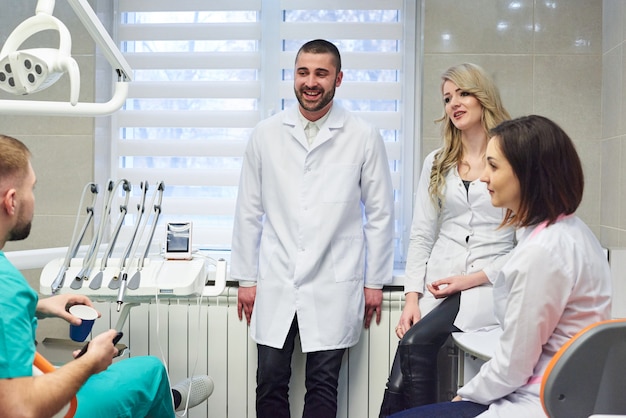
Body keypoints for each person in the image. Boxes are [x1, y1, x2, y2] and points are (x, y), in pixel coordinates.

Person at [389, 115, 613, 417]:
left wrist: (462, 398)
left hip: (535, 402)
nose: (483, 177)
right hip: (560, 395)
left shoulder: (541, 252)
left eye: (493, 166)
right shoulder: (573, 232)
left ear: (528, 174)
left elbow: (513, 366)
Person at [230, 39, 395, 418]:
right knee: (270, 382)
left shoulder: (363, 136)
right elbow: (248, 209)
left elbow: (381, 214)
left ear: (338, 78)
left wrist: (374, 282)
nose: (311, 81)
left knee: (323, 385)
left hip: (333, 281)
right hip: (276, 275)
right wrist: (245, 277)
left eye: (321, 73)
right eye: (303, 72)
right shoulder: (266, 134)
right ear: (294, 76)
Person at [0, 134, 213, 417]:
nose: (34, 199)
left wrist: (38, 306)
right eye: (32, 189)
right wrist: (89, 364)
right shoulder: (8, 289)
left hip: (29, 381)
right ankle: (169, 399)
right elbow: (19, 409)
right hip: (50, 408)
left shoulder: (9, 290)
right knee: (151, 372)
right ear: (12, 201)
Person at [379, 63, 516, 416]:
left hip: (487, 283)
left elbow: (524, 246)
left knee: (413, 345)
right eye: (447, 98)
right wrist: (412, 299)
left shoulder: (514, 157)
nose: (454, 103)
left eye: (463, 93)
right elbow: (422, 234)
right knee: (400, 374)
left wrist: (468, 280)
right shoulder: (437, 161)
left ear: (483, 97)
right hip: (438, 282)